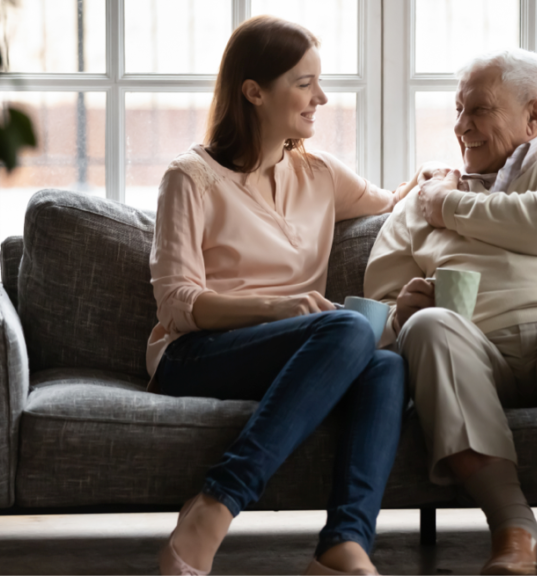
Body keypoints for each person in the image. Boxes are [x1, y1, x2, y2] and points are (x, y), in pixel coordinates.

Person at [149, 15, 427, 576]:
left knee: (385, 369)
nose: (321, 97)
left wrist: (436, 185)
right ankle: (215, 506)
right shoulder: (190, 178)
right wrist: (277, 306)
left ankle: (343, 545)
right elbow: (177, 301)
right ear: (254, 91)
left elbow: (391, 200)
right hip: (197, 354)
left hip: (295, 349)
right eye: (304, 83)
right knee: (349, 328)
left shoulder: (319, 174)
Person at [364, 48, 537, 576]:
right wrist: (398, 312)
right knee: (427, 325)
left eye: (478, 111)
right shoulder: (419, 202)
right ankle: (516, 533)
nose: (460, 126)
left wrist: (446, 206)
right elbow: (374, 304)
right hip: (477, 357)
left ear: (534, 116)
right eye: (457, 110)